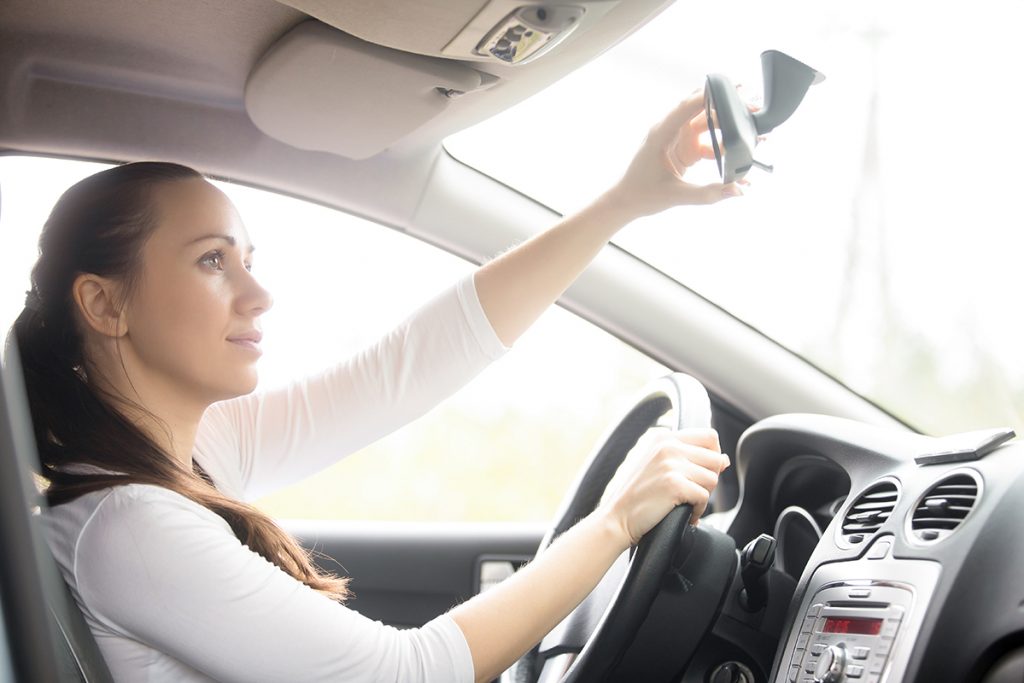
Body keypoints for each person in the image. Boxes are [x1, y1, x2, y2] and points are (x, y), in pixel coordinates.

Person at [13, 90, 739, 683]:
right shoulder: (132, 527)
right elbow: (410, 674)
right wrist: (614, 523)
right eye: (212, 260)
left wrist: (626, 200)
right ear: (105, 304)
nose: (258, 292)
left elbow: (409, 366)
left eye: (248, 259)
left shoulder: (187, 456)